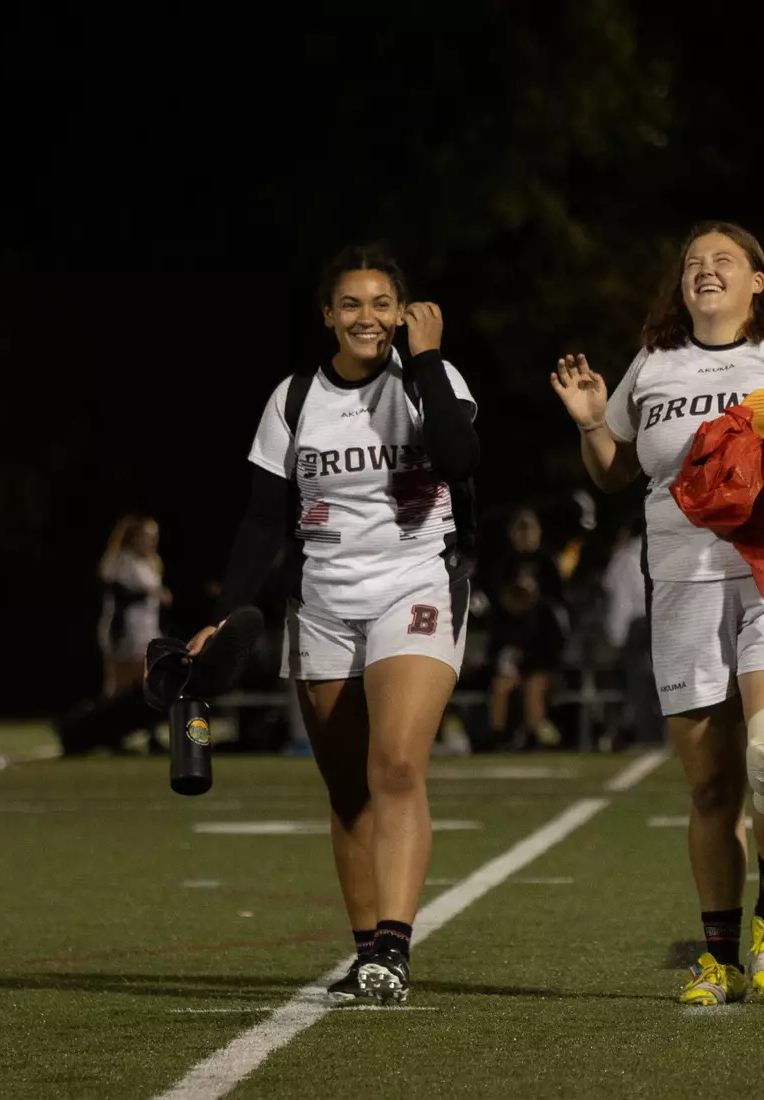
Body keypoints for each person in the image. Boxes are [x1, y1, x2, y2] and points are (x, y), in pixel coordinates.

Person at [550, 221, 764, 1006]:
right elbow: (616, 473)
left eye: (724, 260)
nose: (705, 269)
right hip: (682, 583)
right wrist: (595, 420)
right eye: (693, 261)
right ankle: (720, 956)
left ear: (757, 280)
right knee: (710, 790)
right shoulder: (655, 363)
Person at [185, 245, 479, 1005]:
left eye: (383, 303)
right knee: (348, 788)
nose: (368, 317)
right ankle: (364, 953)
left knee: (399, 767)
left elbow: (459, 458)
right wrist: (221, 620)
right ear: (327, 315)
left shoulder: (430, 382)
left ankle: (395, 947)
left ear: (403, 312)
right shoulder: (291, 399)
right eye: (351, 304)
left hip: (415, 583)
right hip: (323, 601)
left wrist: (429, 358)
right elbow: (260, 523)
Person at [486, 508, 569, 749]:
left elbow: (558, 610)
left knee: (534, 689)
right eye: (519, 530)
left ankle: (537, 738)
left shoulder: (547, 565)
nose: (525, 536)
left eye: (529, 529)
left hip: (541, 646)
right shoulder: (504, 565)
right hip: (513, 643)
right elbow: (499, 608)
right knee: (501, 686)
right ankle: (499, 739)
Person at [601, 514, 661, 747]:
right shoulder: (669, 548)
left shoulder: (626, 557)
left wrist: (616, 638)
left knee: (642, 686)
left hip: (642, 628)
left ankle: (648, 738)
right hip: (669, 624)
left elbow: (621, 600)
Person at [96, 515, 171, 698]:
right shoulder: (122, 560)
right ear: (134, 537)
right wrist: (151, 593)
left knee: (145, 678)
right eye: (147, 536)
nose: (152, 541)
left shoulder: (148, 563)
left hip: (147, 628)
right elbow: (118, 592)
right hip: (126, 629)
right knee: (123, 681)